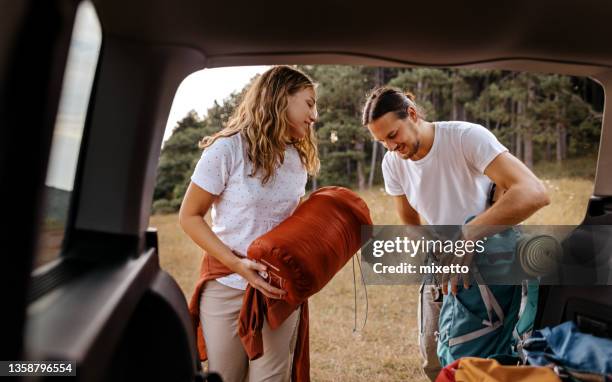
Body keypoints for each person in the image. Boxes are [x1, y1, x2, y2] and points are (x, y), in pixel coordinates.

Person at [361, 86, 550, 380]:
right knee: (433, 356)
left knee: (482, 360)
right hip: (441, 263)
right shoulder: (392, 163)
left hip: (488, 263)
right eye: (381, 141)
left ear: (411, 114)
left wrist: (468, 237)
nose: (390, 147)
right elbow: (410, 221)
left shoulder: (465, 137)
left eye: (393, 135)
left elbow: (533, 192)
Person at [179, 65, 319, 382]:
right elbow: (189, 216)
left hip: (278, 290)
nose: (314, 115)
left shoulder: (297, 160)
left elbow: (289, 226)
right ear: (282, 97)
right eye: (309, 103)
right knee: (225, 377)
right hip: (226, 285)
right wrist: (239, 265)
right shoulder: (226, 149)